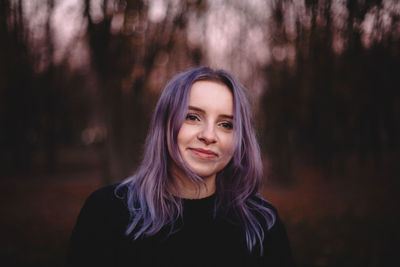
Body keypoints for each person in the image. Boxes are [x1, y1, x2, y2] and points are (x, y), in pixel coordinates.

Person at [66, 67, 294, 267]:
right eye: (193, 117)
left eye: (226, 124)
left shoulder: (262, 225)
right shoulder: (106, 214)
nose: (208, 136)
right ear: (164, 124)